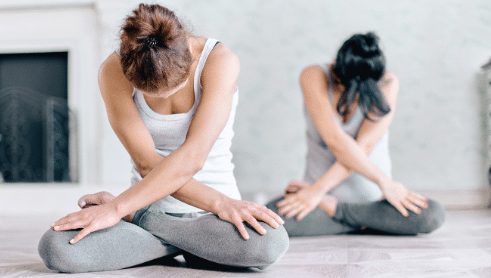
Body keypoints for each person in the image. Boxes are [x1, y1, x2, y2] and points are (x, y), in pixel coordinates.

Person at [38, 3, 288, 273]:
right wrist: (119, 210)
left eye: (174, 88)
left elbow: (193, 156)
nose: (164, 99)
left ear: (189, 59)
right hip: (145, 207)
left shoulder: (219, 60)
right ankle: (189, 246)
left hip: (214, 216)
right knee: (56, 247)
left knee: (269, 243)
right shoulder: (112, 70)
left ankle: (159, 237)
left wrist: (119, 208)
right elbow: (146, 162)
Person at [266, 32, 445, 237]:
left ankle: (342, 214)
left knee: (433, 215)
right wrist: (314, 193)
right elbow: (337, 143)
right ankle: (370, 224)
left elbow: (363, 148)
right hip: (316, 200)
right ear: (336, 67)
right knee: (267, 220)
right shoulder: (313, 75)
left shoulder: (388, 83)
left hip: (371, 202)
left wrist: (385, 186)